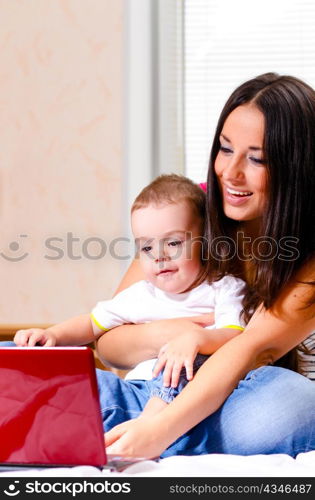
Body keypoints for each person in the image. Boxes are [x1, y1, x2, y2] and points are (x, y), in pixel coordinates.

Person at [92, 72, 315, 459]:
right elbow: (111, 342)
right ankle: (133, 422)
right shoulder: (192, 211)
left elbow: (250, 350)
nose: (230, 172)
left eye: (257, 158)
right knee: (13, 359)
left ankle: (132, 428)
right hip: (155, 394)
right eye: (225, 149)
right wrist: (181, 333)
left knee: (292, 403)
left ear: (297, 169)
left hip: (248, 401)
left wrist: (158, 431)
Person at [13, 174, 246, 418]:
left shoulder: (225, 288)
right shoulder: (141, 295)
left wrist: (197, 338)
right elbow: (92, 323)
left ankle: (152, 428)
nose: (159, 255)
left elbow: (235, 335)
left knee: (187, 363)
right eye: (146, 247)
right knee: (40, 363)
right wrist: (51, 335)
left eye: (173, 243)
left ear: (206, 241)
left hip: (192, 396)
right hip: (136, 392)